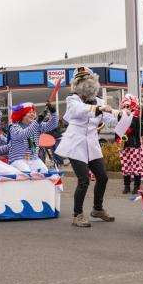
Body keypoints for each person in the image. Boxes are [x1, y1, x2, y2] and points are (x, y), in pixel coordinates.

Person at [55, 66, 119, 227]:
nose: (86, 83)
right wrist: (97, 109)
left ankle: (97, 209)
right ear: (76, 84)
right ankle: (77, 215)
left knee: (103, 177)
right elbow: (78, 111)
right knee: (83, 179)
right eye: (82, 80)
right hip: (75, 144)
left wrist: (122, 114)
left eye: (89, 79)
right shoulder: (72, 99)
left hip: (92, 144)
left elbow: (109, 120)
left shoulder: (99, 101)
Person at [8, 101, 58, 175]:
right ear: (22, 114)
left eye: (33, 112)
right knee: (26, 172)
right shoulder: (14, 127)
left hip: (33, 159)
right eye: (29, 112)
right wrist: (37, 122)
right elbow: (24, 134)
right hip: (18, 159)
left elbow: (52, 125)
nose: (32, 114)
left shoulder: (37, 125)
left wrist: (53, 112)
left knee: (44, 171)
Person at [119, 94, 143, 194]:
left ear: (132, 106)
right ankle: (126, 186)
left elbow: (139, 132)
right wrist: (118, 139)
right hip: (124, 145)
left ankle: (136, 186)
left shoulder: (136, 117)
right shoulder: (121, 116)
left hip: (134, 144)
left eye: (128, 106)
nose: (126, 108)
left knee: (136, 166)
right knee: (125, 165)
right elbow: (118, 129)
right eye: (124, 106)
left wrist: (130, 130)